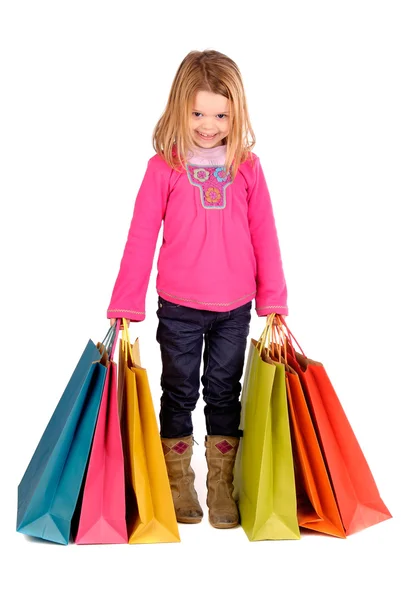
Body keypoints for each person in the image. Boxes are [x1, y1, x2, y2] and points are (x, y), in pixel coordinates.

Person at [107, 49, 288, 529]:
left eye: (221, 114)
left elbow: (265, 233)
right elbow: (141, 236)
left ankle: (221, 486)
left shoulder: (246, 167)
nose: (209, 125)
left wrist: (273, 299)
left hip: (234, 308)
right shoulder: (163, 167)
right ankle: (177, 481)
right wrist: (125, 303)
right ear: (179, 108)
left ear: (237, 113)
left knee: (226, 393)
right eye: (198, 113)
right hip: (179, 308)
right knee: (179, 390)